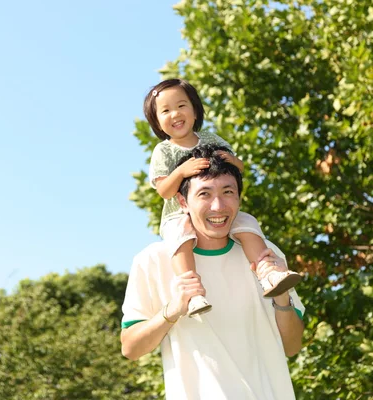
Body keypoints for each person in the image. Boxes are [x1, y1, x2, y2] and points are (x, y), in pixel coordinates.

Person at [120, 145, 305, 399]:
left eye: (228, 192)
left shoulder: (266, 255)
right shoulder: (153, 260)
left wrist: (282, 299)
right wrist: (172, 311)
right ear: (182, 201)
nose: (218, 206)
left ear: (239, 197)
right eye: (204, 194)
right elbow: (130, 347)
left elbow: (293, 346)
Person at [144, 78, 300, 315]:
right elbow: (164, 191)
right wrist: (181, 172)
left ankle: (267, 271)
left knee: (247, 223)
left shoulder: (211, 139)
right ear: (157, 121)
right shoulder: (164, 150)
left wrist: (233, 162)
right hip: (179, 213)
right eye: (165, 110)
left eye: (181, 105)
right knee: (181, 239)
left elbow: (239, 167)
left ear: (195, 110)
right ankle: (193, 291)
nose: (175, 114)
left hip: (216, 209)